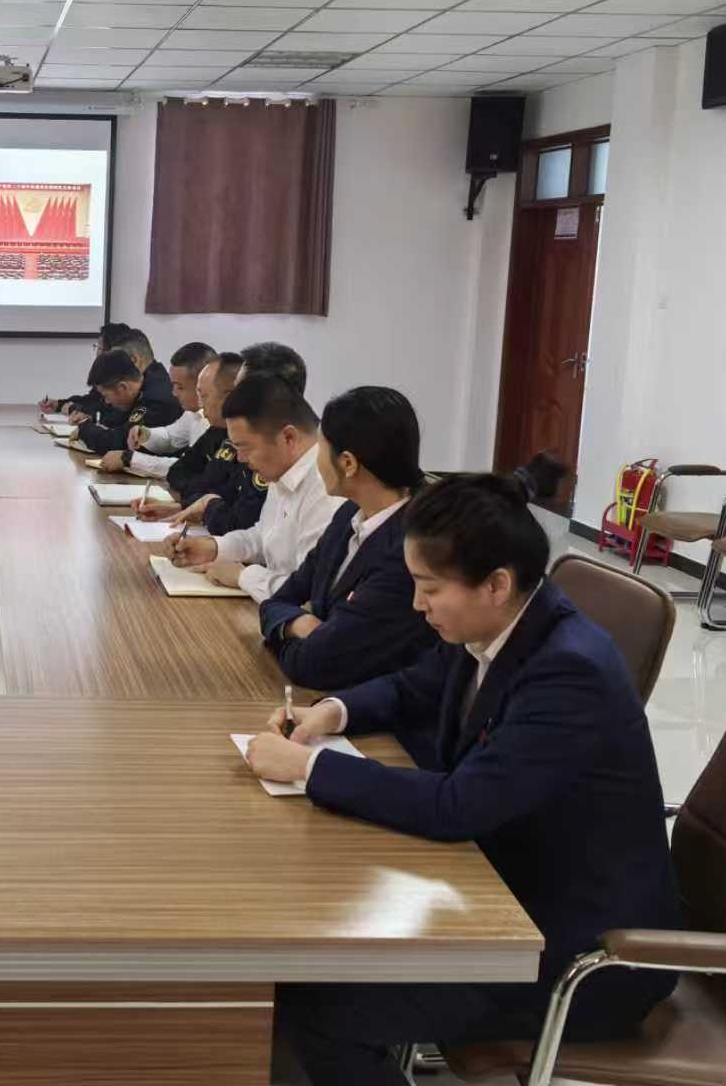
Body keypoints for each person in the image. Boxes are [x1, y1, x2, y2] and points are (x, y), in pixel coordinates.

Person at [245, 460, 678, 1085]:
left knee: (322, 1007)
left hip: (574, 948)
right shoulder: (505, 623)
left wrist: (309, 768)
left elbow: (457, 806)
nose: (416, 604)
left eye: (429, 587)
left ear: (495, 584)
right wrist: (332, 712)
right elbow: (414, 686)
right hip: (501, 880)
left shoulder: (569, 671)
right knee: (311, 955)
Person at [259, 387, 438, 690]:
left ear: (348, 463)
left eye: (321, 447)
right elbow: (277, 601)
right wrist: (299, 624)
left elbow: (317, 666)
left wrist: (286, 633)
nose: (315, 459)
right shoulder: (348, 515)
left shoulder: (408, 549)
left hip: (368, 709)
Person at [164, 376, 340, 604]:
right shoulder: (283, 468)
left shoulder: (328, 487)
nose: (240, 458)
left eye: (244, 447)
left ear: (288, 437)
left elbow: (309, 594)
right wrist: (213, 547)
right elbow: (263, 536)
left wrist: (243, 576)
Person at [164, 342, 309, 536]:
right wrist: (202, 509)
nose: (232, 401)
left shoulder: (282, 453)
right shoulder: (253, 439)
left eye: (238, 392)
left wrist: (209, 504)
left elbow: (241, 523)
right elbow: (257, 535)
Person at [132, 352, 244, 513]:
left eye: (204, 396)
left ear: (229, 398)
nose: (201, 404)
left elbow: (220, 495)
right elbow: (177, 472)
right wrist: (190, 499)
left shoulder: (249, 440)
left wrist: (193, 495)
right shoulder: (216, 430)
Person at [96, 341, 216, 475]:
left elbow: (189, 468)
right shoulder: (193, 414)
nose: (174, 393)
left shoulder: (219, 422)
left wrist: (130, 459)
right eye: (173, 385)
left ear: (202, 385)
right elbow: (171, 437)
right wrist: (146, 434)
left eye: (180, 387)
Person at [72, 350, 184, 455]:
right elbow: (113, 422)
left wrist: (83, 430)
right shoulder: (143, 383)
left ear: (122, 387)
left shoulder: (157, 402)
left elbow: (117, 443)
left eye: (106, 396)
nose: (107, 402)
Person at [39, 321, 129, 419]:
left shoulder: (124, 378)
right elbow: (92, 399)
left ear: (111, 351)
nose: (96, 353)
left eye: (99, 347)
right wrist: (59, 404)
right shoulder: (106, 373)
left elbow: (110, 414)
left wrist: (76, 409)